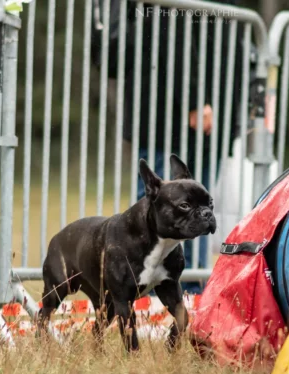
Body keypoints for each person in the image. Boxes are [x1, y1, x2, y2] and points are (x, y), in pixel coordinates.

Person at [92, 1, 247, 294]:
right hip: (168, 115)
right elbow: (169, 35)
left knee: (197, 210)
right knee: (157, 206)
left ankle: (188, 293)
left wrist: (242, 105)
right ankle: (140, 292)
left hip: (213, 115)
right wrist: (193, 100)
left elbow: (233, 43)